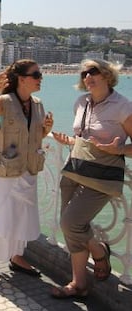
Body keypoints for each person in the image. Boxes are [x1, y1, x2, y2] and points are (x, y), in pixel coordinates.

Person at [50, 59, 132, 299]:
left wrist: (118, 150)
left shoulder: (122, 106)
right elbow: (85, 139)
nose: (87, 77)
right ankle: (79, 284)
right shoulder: (81, 103)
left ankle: (98, 251)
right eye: (84, 73)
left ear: (107, 75)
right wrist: (69, 142)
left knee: (70, 223)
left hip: (102, 177)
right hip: (76, 170)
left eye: (93, 71)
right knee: (71, 229)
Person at [0, 59, 53, 292]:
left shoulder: (37, 105)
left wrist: (46, 129)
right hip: (5, 172)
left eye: (40, 74)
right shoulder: (5, 101)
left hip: (29, 170)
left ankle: (16, 257)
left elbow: (36, 136)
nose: (40, 78)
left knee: (22, 217)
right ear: (22, 78)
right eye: (36, 74)